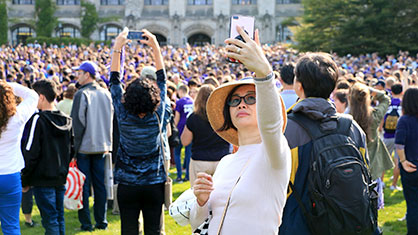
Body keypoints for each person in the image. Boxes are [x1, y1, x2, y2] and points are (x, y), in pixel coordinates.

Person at [189, 26, 291, 234]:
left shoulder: (274, 153)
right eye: (234, 101)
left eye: (251, 98)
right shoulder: (226, 162)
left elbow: (271, 126)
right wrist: (201, 201)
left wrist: (263, 74)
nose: (241, 104)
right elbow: (198, 224)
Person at [279, 53, 370, 234]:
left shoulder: (287, 128)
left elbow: (278, 186)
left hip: (298, 223)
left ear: (299, 86)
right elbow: (366, 173)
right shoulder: (351, 126)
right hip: (345, 220)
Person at [110, 28, 171, 235]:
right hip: (153, 183)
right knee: (154, 230)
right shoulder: (158, 114)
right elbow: (162, 80)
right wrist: (155, 46)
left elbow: (114, 81)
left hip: (128, 183)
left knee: (128, 230)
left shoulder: (123, 113)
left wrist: (118, 48)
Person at [21, 79, 73, 235]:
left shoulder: (38, 120)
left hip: (43, 178)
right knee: (58, 217)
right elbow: (71, 149)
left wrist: (25, 178)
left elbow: (30, 152)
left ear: (41, 97)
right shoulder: (66, 119)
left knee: (51, 220)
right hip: (60, 175)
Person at [71, 61, 113, 231]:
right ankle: (101, 221)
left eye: (79, 73)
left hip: (85, 147)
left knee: (84, 186)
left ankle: (86, 223)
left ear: (87, 74)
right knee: (100, 185)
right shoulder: (106, 93)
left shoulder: (82, 94)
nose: (77, 76)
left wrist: (74, 148)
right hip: (102, 145)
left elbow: (78, 123)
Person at [0, 80, 38, 235]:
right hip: (10, 175)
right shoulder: (17, 118)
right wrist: (6, 85)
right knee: (11, 226)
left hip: (11, 173)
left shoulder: (17, 117)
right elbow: (32, 95)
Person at [349, 83, 393, 209]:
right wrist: (371, 90)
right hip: (373, 169)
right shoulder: (374, 115)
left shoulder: (347, 119)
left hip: (353, 170)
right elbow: (385, 99)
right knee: (374, 210)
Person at [180, 84, 230, 186]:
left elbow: (185, 141)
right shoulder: (224, 115)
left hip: (200, 161)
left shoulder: (193, 117)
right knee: (221, 196)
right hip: (221, 160)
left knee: (199, 197)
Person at [395, 87, 418, 235]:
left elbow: (399, 143)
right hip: (410, 164)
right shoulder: (404, 119)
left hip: (410, 166)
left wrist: (403, 161)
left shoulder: (404, 120)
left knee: (413, 205)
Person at [382, 83, 403, 190]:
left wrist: (380, 129)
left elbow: (382, 118)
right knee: (398, 162)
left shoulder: (387, 102)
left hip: (387, 135)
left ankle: (380, 182)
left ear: (392, 91)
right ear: (402, 92)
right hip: (399, 136)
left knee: (384, 160)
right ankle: (393, 185)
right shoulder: (403, 103)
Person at [174, 84, 194, 182]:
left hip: (180, 129)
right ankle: (188, 175)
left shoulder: (179, 102)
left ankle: (179, 175)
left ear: (180, 91)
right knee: (188, 153)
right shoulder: (192, 101)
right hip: (190, 129)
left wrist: (174, 127)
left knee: (177, 153)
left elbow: (177, 118)